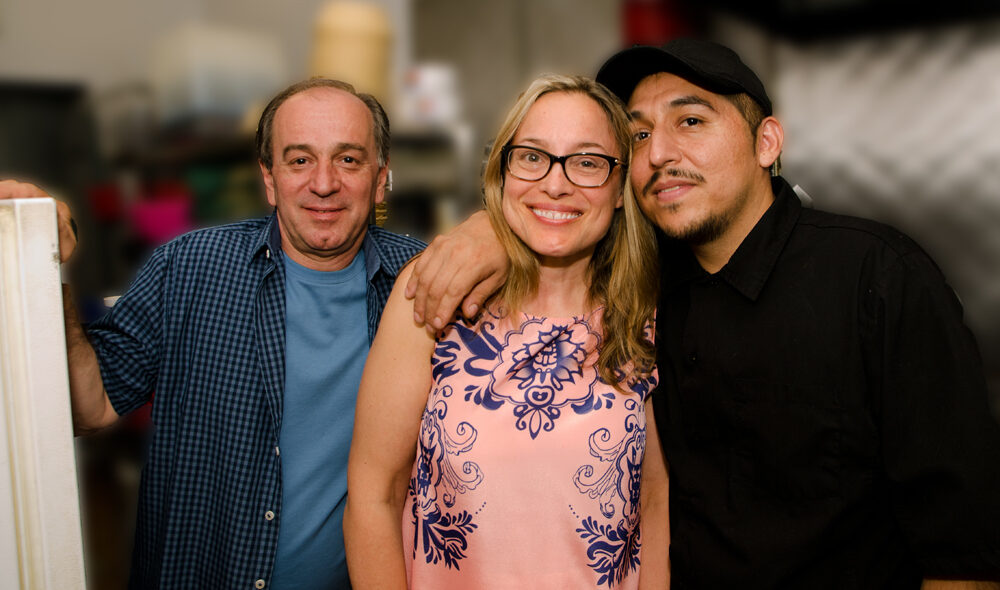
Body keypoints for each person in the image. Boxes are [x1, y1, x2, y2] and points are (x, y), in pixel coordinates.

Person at [403, 40, 1000, 588]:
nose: (660, 153)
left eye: (691, 121)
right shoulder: (638, 286)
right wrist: (492, 227)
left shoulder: (878, 278)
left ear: (766, 143)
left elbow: (962, 551)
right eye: (637, 137)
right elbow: (558, 207)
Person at [0, 78, 424, 589]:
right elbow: (90, 405)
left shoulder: (423, 283)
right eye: (299, 160)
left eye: (349, 160)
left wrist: (485, 235)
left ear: (381, 180)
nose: (324, 183)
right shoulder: (190, 269)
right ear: (269, 178)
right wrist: (41, 264)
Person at [344, 74, 669, 589]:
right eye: (533, 156)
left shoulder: (644, 316)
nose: (556, 183)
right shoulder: (437, 296)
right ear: (502, 173)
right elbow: (373, 494)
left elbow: (653, 500)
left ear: (621, 189)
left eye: (587, 162)